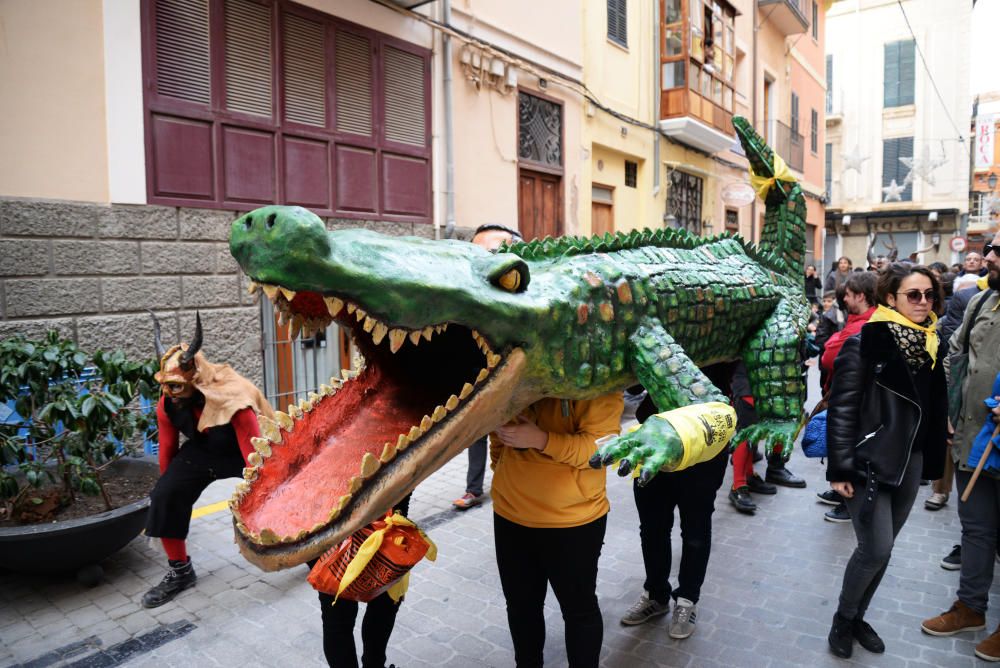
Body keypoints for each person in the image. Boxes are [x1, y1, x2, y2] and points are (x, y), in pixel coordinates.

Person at [825, 263, 947, 658]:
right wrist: (840, 468)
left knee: (886, 548)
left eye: (929, 294)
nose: (923, 302)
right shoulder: (867, 341)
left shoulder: (931, 342)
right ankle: (843, 619)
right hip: (869, 460)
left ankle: (858, 615)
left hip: (910, 459)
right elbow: (842, 407)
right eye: (914, 295)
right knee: (875, 548)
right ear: (891, 298)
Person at [142, 313, 274, 608]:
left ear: (196, 380)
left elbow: (257, 457)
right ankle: (180, 571)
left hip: (245, 450)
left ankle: (307, 549)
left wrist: (260, 499)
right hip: (203, 450)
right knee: (165, 494)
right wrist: (170, 490)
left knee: (277, 490)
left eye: (176, 386)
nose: (170, 393)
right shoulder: (167, 404)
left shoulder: (234, 401)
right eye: (166, 385)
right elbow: (167, 449)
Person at [491, 392, 624, 668]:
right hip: (510, 513)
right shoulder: (514, 374)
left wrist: (541, 440)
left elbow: (603, 449)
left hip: (573, 522)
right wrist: (503, 467)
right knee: (521, 608)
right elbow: (497, 432)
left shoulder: (596, 377)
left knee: (579, 610)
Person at [921, 234, 1000, 662]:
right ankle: (970, 607)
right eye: (991, 249)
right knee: (975, 530)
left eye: (998, 252)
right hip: (974, 441)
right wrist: (950, 408)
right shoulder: (980, 302)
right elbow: (955, 354)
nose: (989, 257)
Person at [620, 365, 732, 639]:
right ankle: (656, 594)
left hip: (703, 444)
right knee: (652, 526)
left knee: (695, 529)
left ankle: (687, 600)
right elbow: (633, 385)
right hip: (655, 438)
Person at [453, 223, 524, 510]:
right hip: (480, 373)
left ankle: (513, 487)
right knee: (478, 435)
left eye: (494, 255)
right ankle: (475, 489)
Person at [312, 493, 412, 668]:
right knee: (343, 616)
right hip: (336, 531)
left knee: (381, 607)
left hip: (380, 528)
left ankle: (375, 664)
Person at [816, 272, 877, 523]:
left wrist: (834, 341)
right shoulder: (859, 319)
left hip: (857, 402)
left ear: (861, 296)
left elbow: (829, 356)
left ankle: (848, 501)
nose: (845, 300)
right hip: (849, 395)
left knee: (849, 446)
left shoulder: (866, 323)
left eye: (849, 295)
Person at [728, 362, 776, 514]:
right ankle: (738, 485)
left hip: (764, 382)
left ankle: (748, 475)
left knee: (754, 431)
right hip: (747, 384)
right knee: (745, 433)